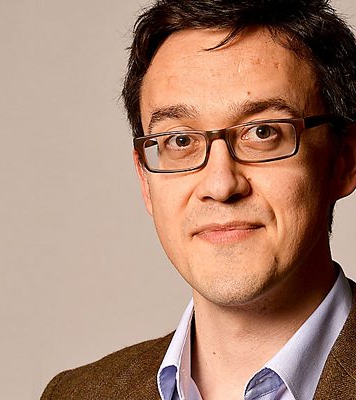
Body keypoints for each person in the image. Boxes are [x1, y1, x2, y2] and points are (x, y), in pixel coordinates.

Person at [41, 0, 356, 398]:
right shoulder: (76, 393)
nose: (221, 185)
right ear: (145, 180)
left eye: (262, 132)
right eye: (180, 140)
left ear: (345, 161)